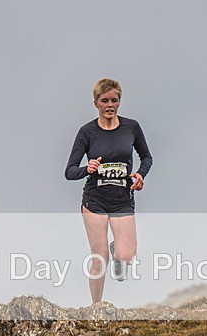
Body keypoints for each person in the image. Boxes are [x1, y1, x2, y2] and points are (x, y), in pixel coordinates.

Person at [65, 79, 153, 304]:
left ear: (119, 102)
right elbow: (70, 171)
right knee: (99, 258)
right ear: (96, 103)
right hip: (95, 201)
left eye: (114, 100)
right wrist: (88, 168)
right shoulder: (87, 132)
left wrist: (140, 174)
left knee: (126, 256)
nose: (110, 105)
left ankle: (117, 251)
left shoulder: (131, 127)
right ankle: (96, 308)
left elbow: (147, 157)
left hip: (122, 199)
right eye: (105, 101)